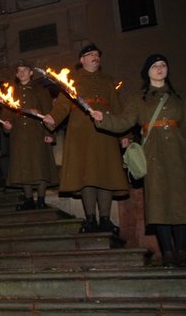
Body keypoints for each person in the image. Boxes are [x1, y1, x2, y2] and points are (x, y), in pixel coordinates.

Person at [91, 54, 186, 266]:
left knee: (181, 204)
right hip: (153, 155)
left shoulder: (181, 96)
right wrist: (103, 118)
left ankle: (181, 250)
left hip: (179, 154)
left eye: (163, 65)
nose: (160, 69)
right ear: (147, 72)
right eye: (154, 66)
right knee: (159, 204)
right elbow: (124, 121)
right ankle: (168, 253)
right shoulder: (138, 98)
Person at [43, 44, 129, 236]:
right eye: (90, 54)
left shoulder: (108, 81)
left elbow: (117, 109)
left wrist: (124, 135)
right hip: (81, 133)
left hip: (106, 132)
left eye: (97, 54)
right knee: (87, 176)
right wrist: (52, 119)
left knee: (105, 175)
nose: (95, 57)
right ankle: (90, 218)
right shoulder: (72, 81)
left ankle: (105, 219)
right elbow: (63, 106)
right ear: (81, 60)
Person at [1, 61, 58, 209]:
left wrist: (49, 133)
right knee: (23, 167)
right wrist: (6, 124)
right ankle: (28, 200)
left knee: (40, 167)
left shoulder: (40, 90)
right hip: (19, 135)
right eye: (19, 70)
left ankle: (41, 200)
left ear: (31, 72)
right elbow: (7, 115)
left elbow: (49, 113)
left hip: (37, 134)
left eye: (24, 70)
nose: (21, 73)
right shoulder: (11, 93)